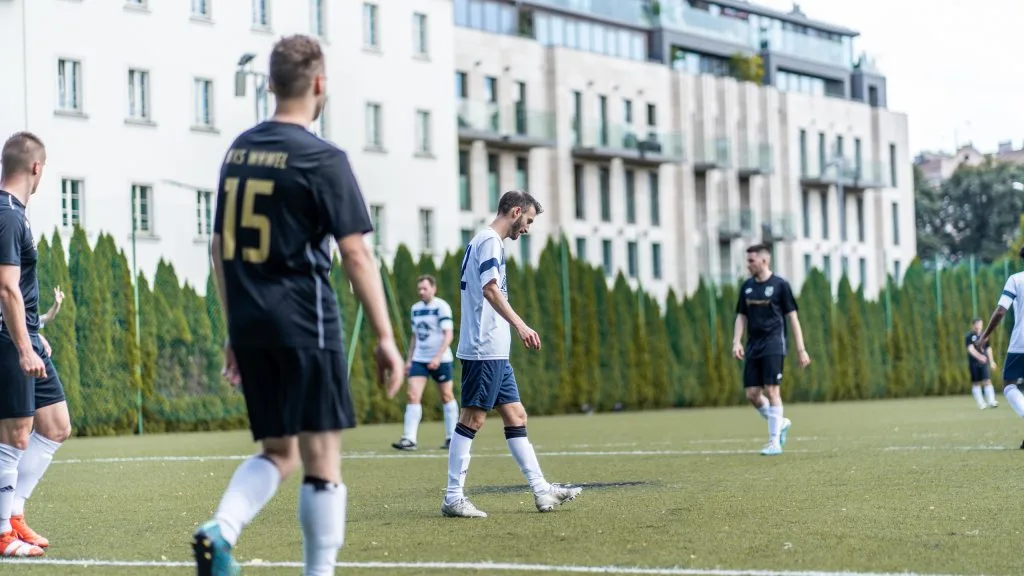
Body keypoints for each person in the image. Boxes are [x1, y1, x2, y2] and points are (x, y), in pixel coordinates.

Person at [192, 35, 404, 576]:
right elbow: (355, 254)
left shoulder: (237, 151)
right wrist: (384, 338)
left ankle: (222, 528)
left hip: (253, 325)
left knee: (278, 453)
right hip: (306, 322)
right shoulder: (322, 158)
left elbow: (218, 247)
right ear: (319, 84)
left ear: (269, 84)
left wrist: (234, 327)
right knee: (321, 461)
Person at [441, 190, 581, 519]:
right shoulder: (490, 240)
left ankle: (541, 490)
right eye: (528, 220)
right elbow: (490, 288)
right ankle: (452, 497)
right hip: (483, 348)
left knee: (516, 416)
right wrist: (520, 325)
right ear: (515, 211)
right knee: (472, 419)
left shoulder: (487, 241)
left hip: (495, 351)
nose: (527, 228)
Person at [0, 132, 72, 557]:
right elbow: (6, 288)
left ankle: (14, 514)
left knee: (56, 425)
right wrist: (24, 347)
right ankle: (2, 533)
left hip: (26, 336)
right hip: (9, 340)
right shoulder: (8, 214)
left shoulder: (16, 214)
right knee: (15, 437)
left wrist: (35, 333)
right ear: (36, 169)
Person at [731, 244, 811, 456]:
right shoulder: (747, 287)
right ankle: (781, 422)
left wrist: (801, 349)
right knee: (752, 395)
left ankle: (774, 442)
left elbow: (792, 318)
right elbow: (741, 316)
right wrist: (736, 341)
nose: (748, 264)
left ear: (764, 261)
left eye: (751, 260)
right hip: (753, 345)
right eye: (747, 260)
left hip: (774, 343)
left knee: (772, 390)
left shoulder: (780, 285)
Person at [392, 275, 459, 451]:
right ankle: (409, 439)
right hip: (419, 359)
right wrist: (409, 360)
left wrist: (437, 357)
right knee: (412, 395)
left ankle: (452, 437)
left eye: (425, 288)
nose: (421, 291)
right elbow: (414, 336)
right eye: (419, 289)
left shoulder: (442, 306)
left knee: (446, 396)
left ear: (433, 289)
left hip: (441, 359)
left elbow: (448, 335)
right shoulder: (415, 309)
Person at [974, 245, 1024, 448]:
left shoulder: (1016, 279)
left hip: (1021, 343)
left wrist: (984, 336)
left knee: (1009, 384)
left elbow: (1001, 311)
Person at [966, 318, 998, 410]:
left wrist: (991, 361)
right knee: (976, 383)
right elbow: (970, 349)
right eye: (977, 324)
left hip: (984, 363)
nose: (979, 326)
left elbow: (988, 348)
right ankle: (981, 403)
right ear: (973, 325)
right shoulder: (969, 336)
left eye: (980, 324)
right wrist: (980, 357)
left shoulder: (985, 335)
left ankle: (992, 401)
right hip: (974, 363)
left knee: (987, 381)